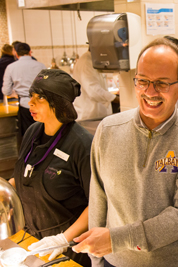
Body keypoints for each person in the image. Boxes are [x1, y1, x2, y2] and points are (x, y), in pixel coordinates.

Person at [72, 38, 178, 267]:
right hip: (114, 262)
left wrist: (117, 239)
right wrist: (96, 258)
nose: (150, 91)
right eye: (143, 81)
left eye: (161, 83)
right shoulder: (108, 129)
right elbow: (99, 196)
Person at [7, 69, 93, 266]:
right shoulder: (32, 131)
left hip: (69, 250)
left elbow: (97, 203)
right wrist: (5, 194)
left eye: (40, 98)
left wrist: (62, 239)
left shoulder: (82, 145)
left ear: (58, 102)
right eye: (31, 96)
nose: (30, 103)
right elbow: (23, 176)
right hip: (34, 240)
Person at [2, 42, 46, 137]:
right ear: (30, 52)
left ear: (16, 54)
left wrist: (15, 93)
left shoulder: (11, 67)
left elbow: (6, 91)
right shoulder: (41, 66)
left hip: (25, 105)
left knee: (28, 136)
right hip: (42, 103)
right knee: (43, 133)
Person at [73, 49, 119, 121]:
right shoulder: (86, 62)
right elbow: (94, 91)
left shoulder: (94, 60)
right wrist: (115, 98)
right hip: (89, 118)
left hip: (97, 116)